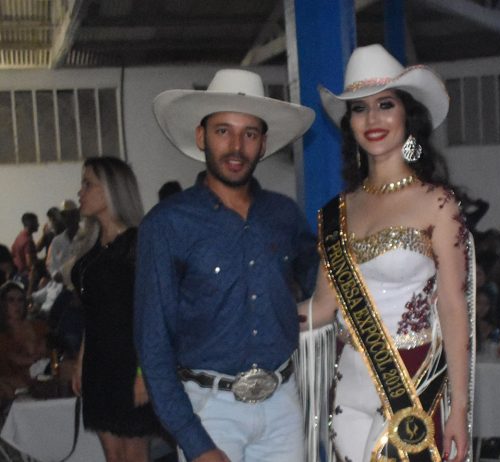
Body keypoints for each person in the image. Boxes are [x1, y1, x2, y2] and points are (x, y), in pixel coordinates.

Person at [300, 44, 473, 462]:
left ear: (406, 115)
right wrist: (255, 316)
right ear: (350, 123)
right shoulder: (336, 212)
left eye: (385, 105)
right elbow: (321, 309)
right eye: (359, 109)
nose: (373, 119)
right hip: (348, 387)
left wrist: (460, 407)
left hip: (411, 384)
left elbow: (453, 307)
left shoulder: (437, 203)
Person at [134, 69, 318, 462]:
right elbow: (153, 344)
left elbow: (319, 277)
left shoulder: (284, 215)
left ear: (263, 144)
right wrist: (195, 442)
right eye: (223, 131)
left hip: (283, 404)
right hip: (209, 412)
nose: (236, 146)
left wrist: (300, 310)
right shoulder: (167, 225)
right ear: (201, 136)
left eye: (249, 133)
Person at [70, 156, 160, 462]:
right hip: (99, 362)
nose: (80, 192)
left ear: (111, 189)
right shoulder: (93, 249)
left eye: (88, 184)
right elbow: (93, 313)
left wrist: (144, 373)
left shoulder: (137, 243)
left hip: (130, 361)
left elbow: (151, 313)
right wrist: (81, 361)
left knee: (133, 454)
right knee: (113, 455)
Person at [0, 281, 48, 396]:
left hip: (44, 375)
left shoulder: (38, 326)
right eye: (11, 300)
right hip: (13, 382)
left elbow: (51, 349)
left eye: (20, 300)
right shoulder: (2, 335)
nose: (17, 305)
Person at [11, 212, 39, 292]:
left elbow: (12, 254)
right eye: (36, 222)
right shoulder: (28, 241)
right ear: (30, 224)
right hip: (27, 278)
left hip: (17, 276)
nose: (38, 225)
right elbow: (30, 263)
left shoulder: (19, 237)